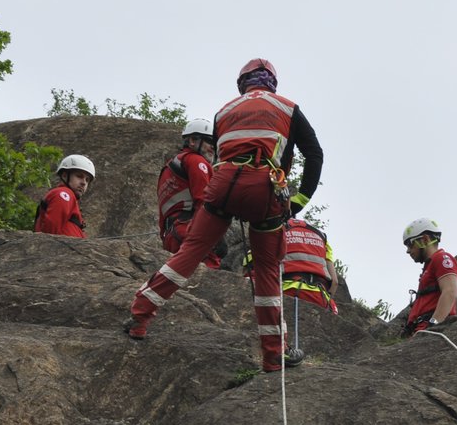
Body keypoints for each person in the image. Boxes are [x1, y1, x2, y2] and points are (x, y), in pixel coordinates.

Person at [127, 58, 324, 372]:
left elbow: (221, 155)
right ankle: (274, 355)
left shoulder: (224, 111)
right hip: (264, 188)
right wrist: (297, 202)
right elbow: (314, 154)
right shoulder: (288, 108)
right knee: (267, 270)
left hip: (222, 187)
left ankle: (139, 315)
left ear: (242, 83)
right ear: (271, 80)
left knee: (191, 252)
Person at [243, 217, 338, 367]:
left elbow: (251, 268)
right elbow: (335, 282)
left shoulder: (273, 230)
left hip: (285, 291)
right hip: (320, 295)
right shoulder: (320, 236)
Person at [158, 118, 226, 268]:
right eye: (209, 142)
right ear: (193, 141)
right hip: (190, 230)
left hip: (172, 234)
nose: (213, 148)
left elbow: (163, 214)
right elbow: (204, 201)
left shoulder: (169, 168)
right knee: (208, 275)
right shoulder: (196, 161)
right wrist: (217, 237)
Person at [401, 217, 457, 337]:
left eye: (410, 245)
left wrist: (433, 326)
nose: (408, 251)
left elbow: (450, 292)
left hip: (430, 331)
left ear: (425, 239)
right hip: (420, 331)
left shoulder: (442, 258)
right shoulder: (430, 266)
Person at [33, 154, 94, 237]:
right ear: (65, 175)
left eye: (87, 180)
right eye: (79, 176)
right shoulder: (64, 194)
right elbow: (50, 232)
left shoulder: (68, 198)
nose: (84, 183)